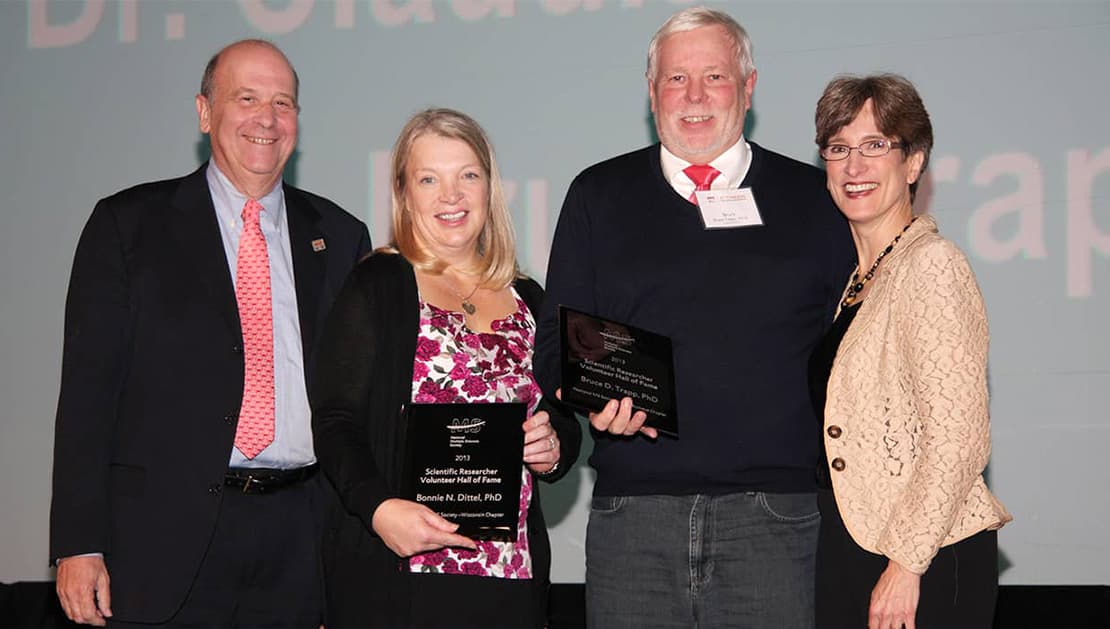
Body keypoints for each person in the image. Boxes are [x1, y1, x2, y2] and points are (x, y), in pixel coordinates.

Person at [534, 7, 854, 628]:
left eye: (715, 76)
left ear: (750, 86)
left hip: (776, 519)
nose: (696, 96)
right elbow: (555, 345)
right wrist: (587, 397)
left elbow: (850, 359)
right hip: (635, 518)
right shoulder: (597, 195)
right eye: (677, 79)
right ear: (652, 92)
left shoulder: (813, 201)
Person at [49, 40, 371, 627]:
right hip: (161, 540)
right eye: (246, 98)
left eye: (283, 102)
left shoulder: (342, 235)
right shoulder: (127, 226)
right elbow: (87, 398)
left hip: (302, 539)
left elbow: (358, 400)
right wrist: (79, 542)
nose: (267, 119)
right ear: (204, 112)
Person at [310, 107, 581, 629]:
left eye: (467, 176)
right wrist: (378, 508)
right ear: (405, 194)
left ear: (489, 188)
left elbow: (562, 417)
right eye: (429, 178)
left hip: (512, 574)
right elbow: (334, 418)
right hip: (401, 573)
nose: (450, 196)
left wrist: (554, 448)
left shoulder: (530, 298)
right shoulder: (378, 284)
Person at [809, 73, 1012, 629]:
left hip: (921, 557)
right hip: (856, 546)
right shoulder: (861, 280)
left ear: (914, 164)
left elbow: (960, 437)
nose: (854, 166)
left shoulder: (931, 265)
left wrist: (906, 562)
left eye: (876, 145)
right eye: (839, 148)